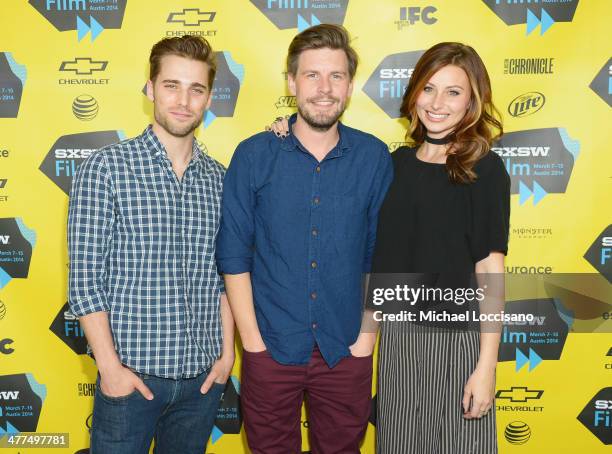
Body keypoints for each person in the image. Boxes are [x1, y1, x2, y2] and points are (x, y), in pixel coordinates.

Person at [217, 24, 392, 454]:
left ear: (350, 86)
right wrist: (253, 345)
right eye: (312, 75)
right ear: (292, 82)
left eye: (336, 76)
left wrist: (365, 340)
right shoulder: (255, 154)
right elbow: (235, 256)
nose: (324, 88)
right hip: (271, 347)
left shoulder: (373, 157)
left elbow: (381, 257)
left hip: (346, 348)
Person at [68, 35, 234, 454]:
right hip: (130, 382)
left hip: (202, 382)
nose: (183, 100)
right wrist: (110, 369)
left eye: (196, 89)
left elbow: (225, 277)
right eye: (171, 85)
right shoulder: (105, 169)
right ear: (149, 88)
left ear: (210, 98)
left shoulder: (221, 180)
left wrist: (226, 356)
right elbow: (86, 282)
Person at [371, 42, 510, 453]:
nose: (437, 103)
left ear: (472, 101)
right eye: (428, 88)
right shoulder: (393, 164)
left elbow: (490, 268)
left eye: (453, 92)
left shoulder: (483, 168)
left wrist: (486, 366)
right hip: (398, 344)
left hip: (458, 343)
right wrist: (285, 127)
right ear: (414, 92)